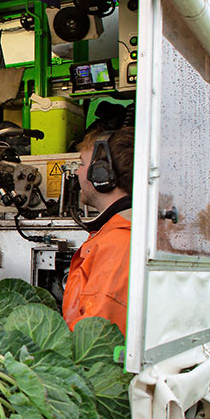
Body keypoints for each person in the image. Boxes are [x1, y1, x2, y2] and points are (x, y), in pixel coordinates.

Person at [62, 127, 134, 334]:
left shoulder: (118, 243)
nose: (76, 172)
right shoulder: (117, 233)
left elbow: (95, 335)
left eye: (82, 164)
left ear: (101, 173)